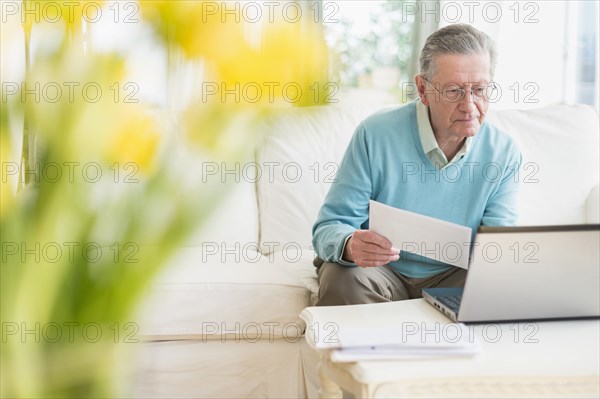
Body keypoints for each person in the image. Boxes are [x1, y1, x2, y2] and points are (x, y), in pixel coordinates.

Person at [312, 24, 521, 306]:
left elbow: (498, 247)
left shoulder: (503, 152)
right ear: (423, 89)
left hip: (455, 277)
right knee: (342, 278)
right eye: (454, 91)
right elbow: (330, 227)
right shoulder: (375, 134)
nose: (470, 106)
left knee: (501, 286)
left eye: (480, 89)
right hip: (380, 273)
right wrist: (349, 245)